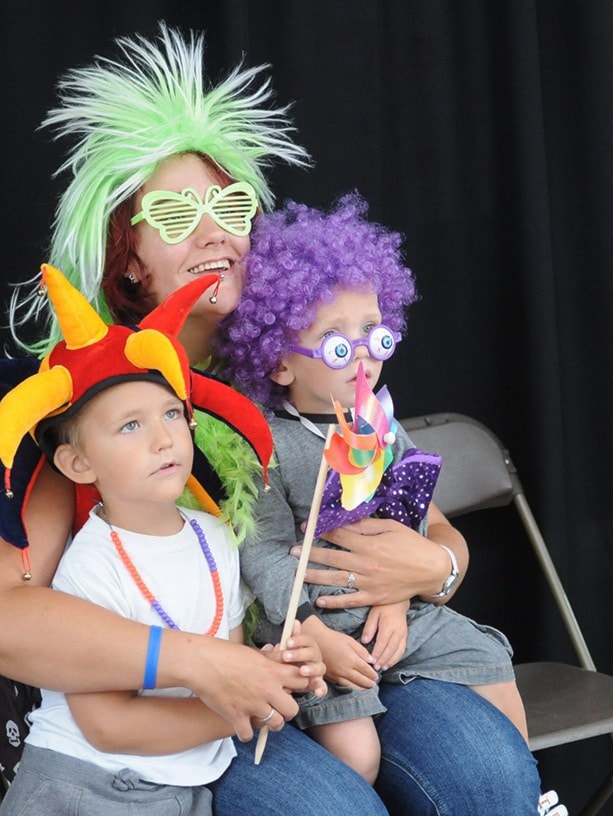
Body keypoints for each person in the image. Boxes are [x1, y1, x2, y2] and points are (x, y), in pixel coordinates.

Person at [0, 26, 545, 816]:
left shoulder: (294, 366)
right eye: (174, 212)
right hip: (192, 704)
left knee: (487, 776)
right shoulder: (99, 400)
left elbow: (429, 532)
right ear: (127, 255)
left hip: (348, 659)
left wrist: (431, 572)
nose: (214, 232)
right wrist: (200, 662)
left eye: (229, 205)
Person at [215, 195, 532, 789]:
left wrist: (396, 595)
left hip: (399, 611)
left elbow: (408, 509)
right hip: (319, 627)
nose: (362, 352)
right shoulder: (267, 444)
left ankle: (532, 794)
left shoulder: (378, 423)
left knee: (490, 665)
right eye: (337, 342)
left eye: (372, 332)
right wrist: (310, 627)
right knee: (356, 755)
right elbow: (261, 551)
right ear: (279, 362)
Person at [0, 264, 324, 815]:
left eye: (173, 413)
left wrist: (277, 669)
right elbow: (107, 725)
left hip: (185, 779)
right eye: (130, 426)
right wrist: (242, 706)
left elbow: (227, 660)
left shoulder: (216, 536)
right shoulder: (90, 568)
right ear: (77, 463)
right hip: (87, 784)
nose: (164, 437)